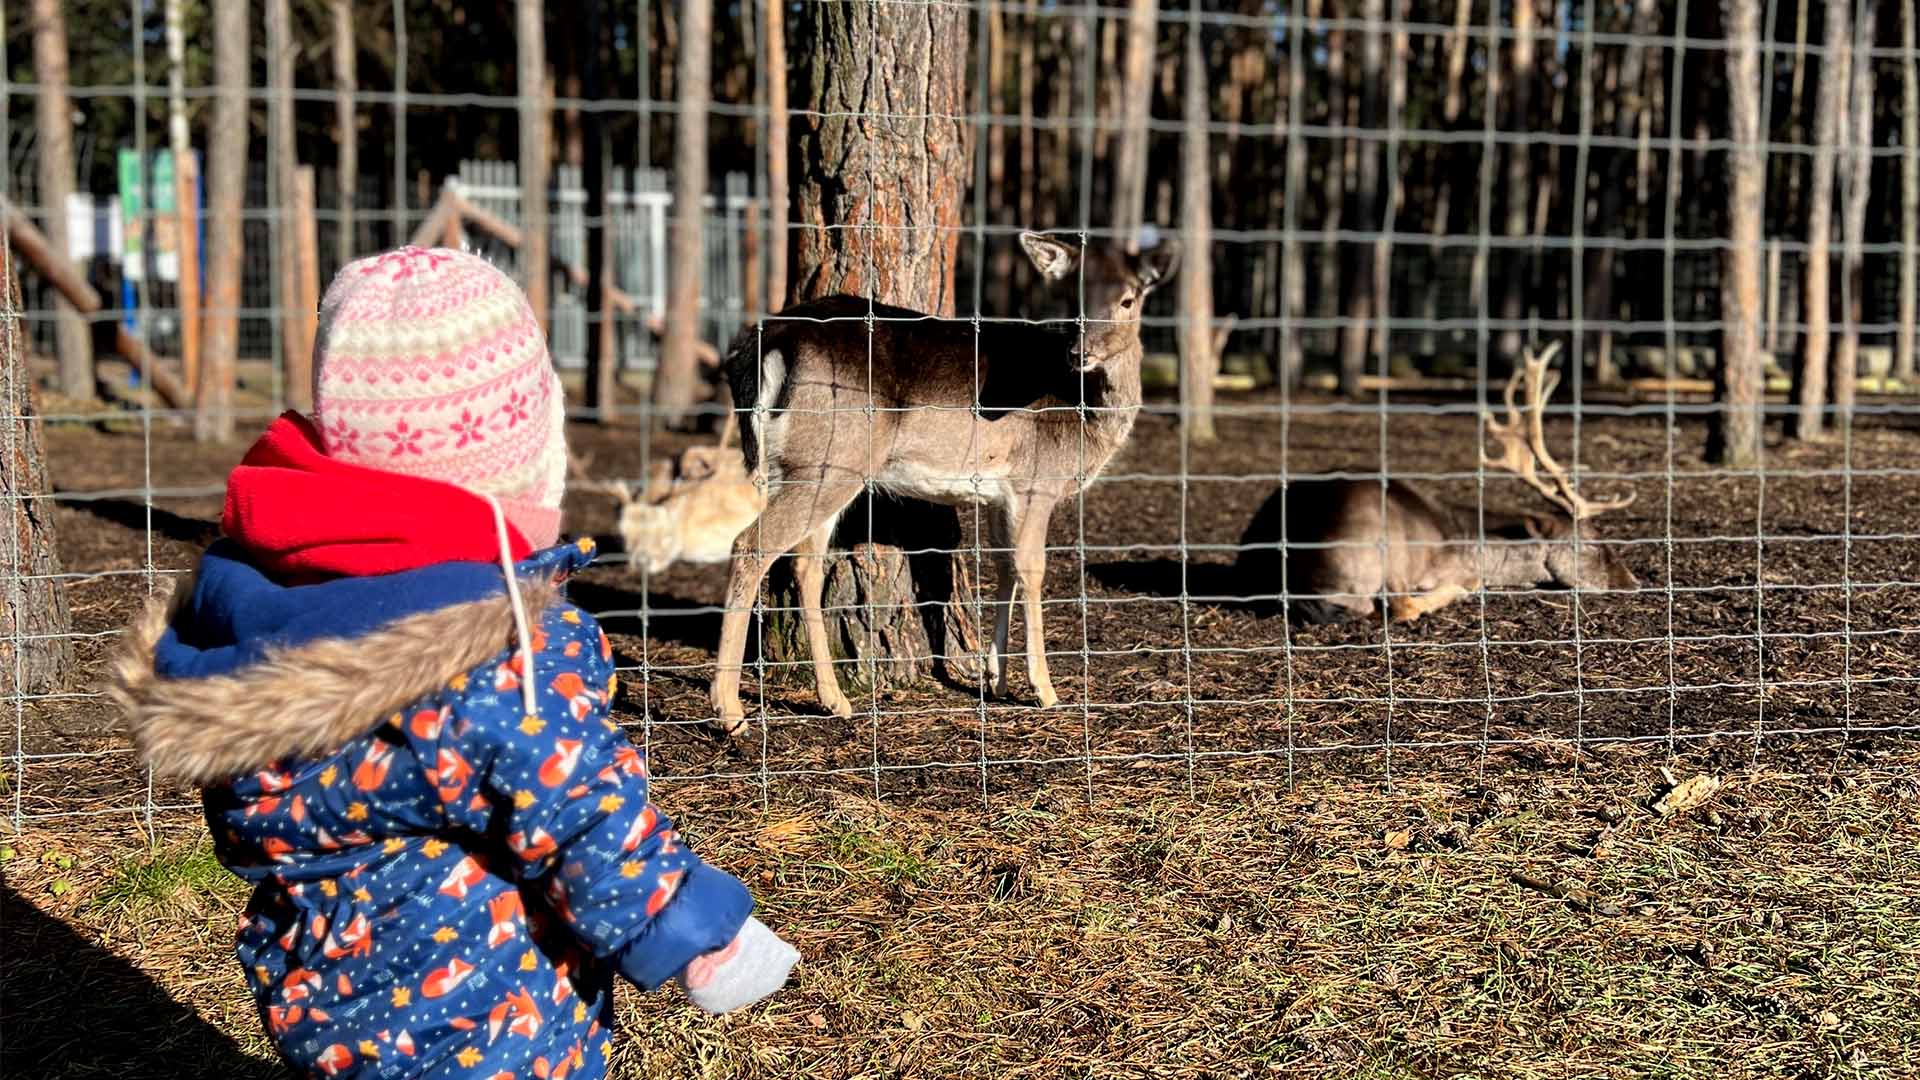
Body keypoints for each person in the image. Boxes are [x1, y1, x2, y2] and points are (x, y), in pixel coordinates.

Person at [111, 246, 795, 1078]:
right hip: (492, 1029)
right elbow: (588, 819)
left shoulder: (256, 629)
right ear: (517, 460)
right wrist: (706, 938)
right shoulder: (499, 657)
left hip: (327, 1012)